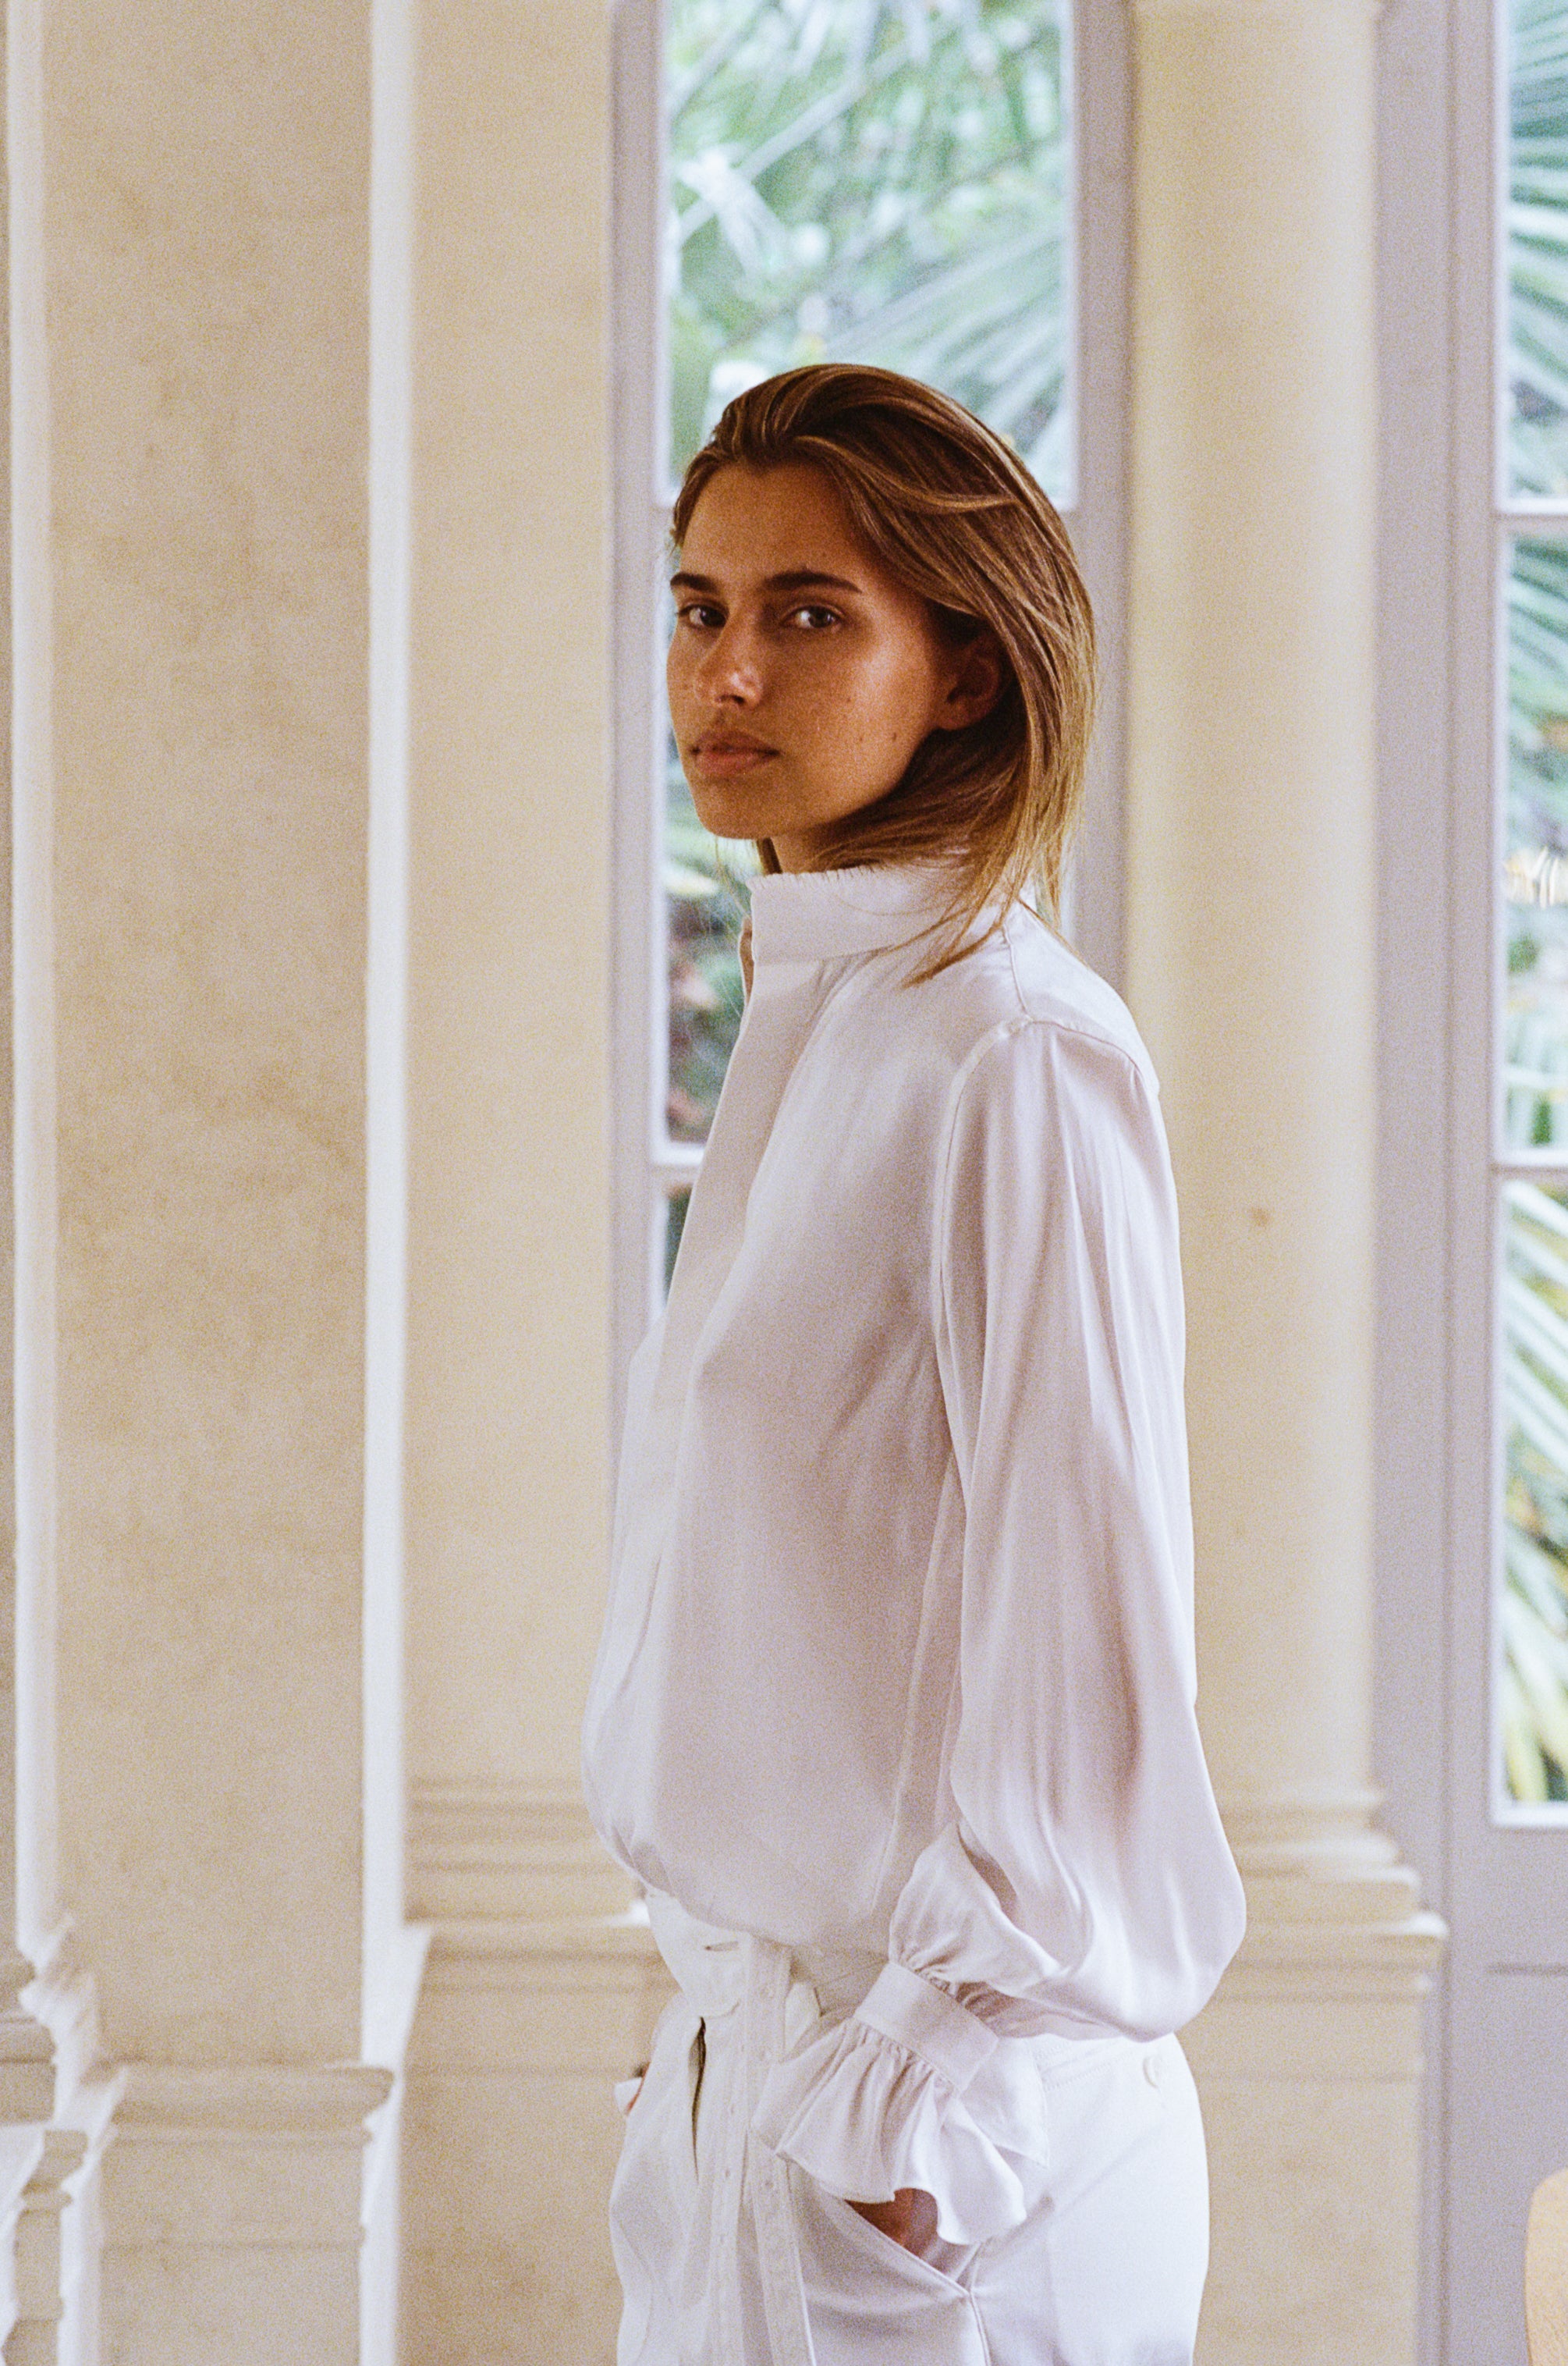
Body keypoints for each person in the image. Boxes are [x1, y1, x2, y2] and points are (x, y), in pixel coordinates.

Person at [580, 363, 1246, 2366]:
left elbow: (1089, 1622)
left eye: (810, 613)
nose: (730, 673)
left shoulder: (1011, 1053)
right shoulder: (829, 1028)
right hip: (774, 2101)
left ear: (964, 671)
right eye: (701, 607)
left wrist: (905, 2104)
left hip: (939, 2154)